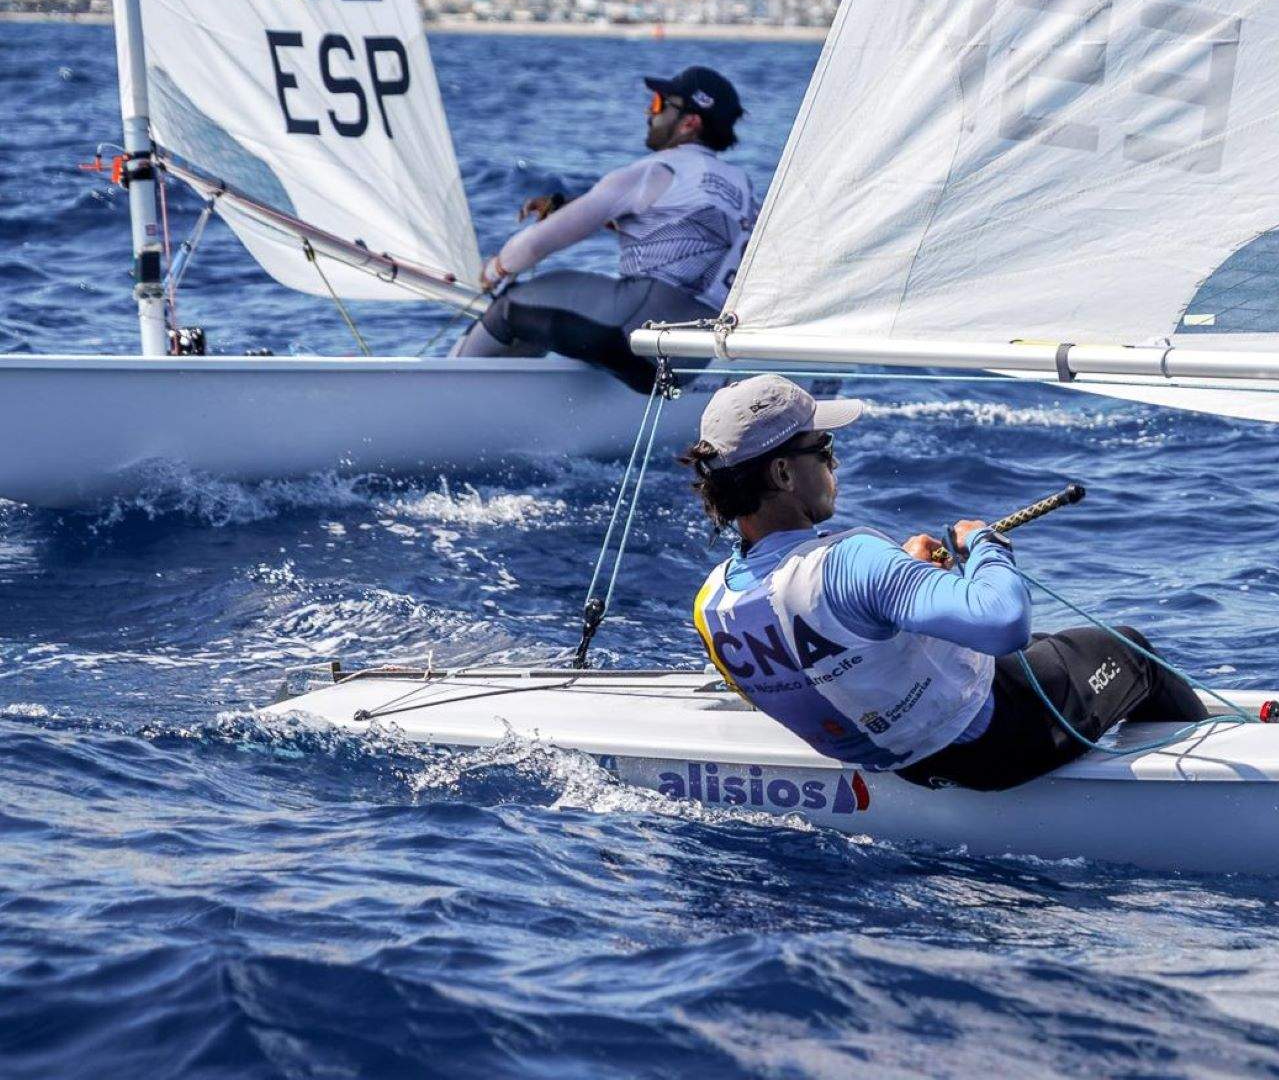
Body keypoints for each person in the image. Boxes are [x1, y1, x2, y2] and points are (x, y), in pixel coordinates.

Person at [681, 374, 1209, 791]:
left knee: (1054, 648)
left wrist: (899, 581)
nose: (833, 463)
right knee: (1131, 652)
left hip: (906, 764)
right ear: (781, 475)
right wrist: (986, 548)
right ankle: (1208, 784)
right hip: (1001, 744)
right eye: (824, 450)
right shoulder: (852, 563)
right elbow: (1004, 624)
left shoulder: (713, 603)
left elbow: (823, 653)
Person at [453, 66, 758, 392]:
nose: (648, 112)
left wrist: (496, 269)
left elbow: (532, 247)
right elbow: (681, 233)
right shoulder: (742, 187)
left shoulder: (655, 170)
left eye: (657, 104)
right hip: (690, 359)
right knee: (557, 316)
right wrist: (568, 206)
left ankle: (448, 391)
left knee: (512, 306)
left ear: (689, 122)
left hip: (638, 331)